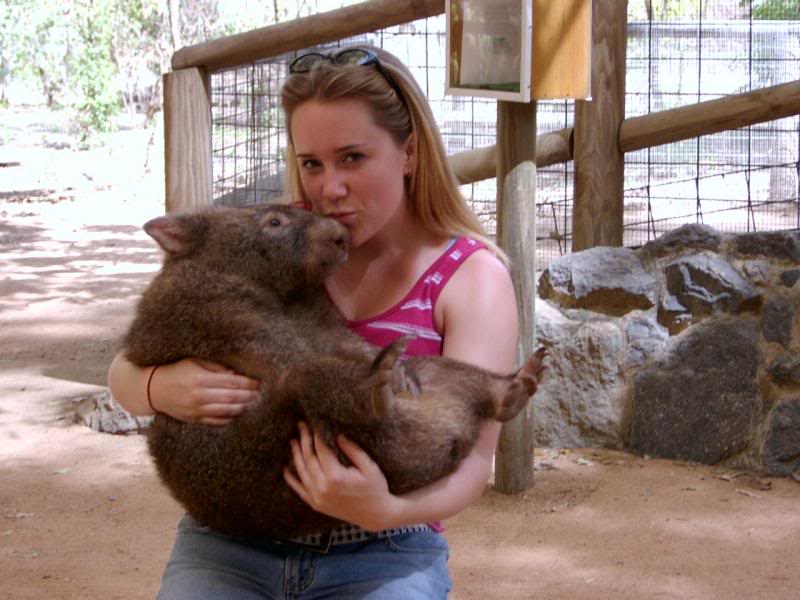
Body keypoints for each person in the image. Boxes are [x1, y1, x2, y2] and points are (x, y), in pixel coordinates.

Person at [108, 45, 519, 599]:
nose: (330, 190)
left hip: (382, 549)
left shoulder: (470, 278)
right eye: (311, 164)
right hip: (229, 543)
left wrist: (387, 509)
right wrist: (160, 386)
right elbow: (124, 376)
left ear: (409, 153)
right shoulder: (284, 243)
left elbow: (473, 461)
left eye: (353, 158)